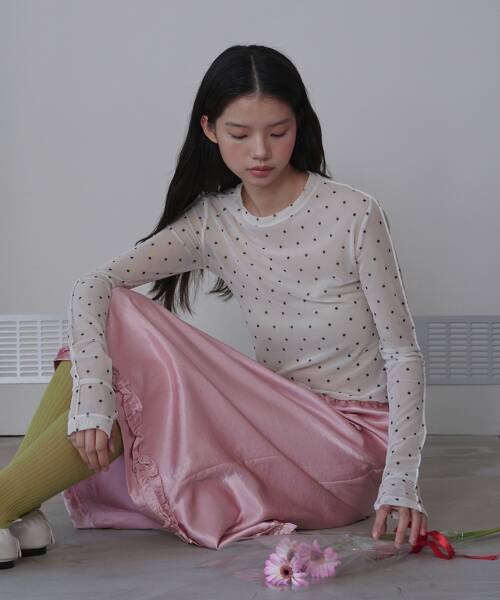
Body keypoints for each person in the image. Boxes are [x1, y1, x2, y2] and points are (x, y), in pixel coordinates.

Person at [0, 44, 428, 567]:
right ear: (209, 129)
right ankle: (18, 509)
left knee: (132, 346)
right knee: (112, 316)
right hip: (274, 432)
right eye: (239, 135)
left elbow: (402, 353)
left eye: (278, 132)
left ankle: (5, 504)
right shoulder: (213, 222)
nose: (260, 152)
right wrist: (94, 394)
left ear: (300, 124)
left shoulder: (355, 213)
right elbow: (94, 284)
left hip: (349, 451)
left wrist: (401, 480)